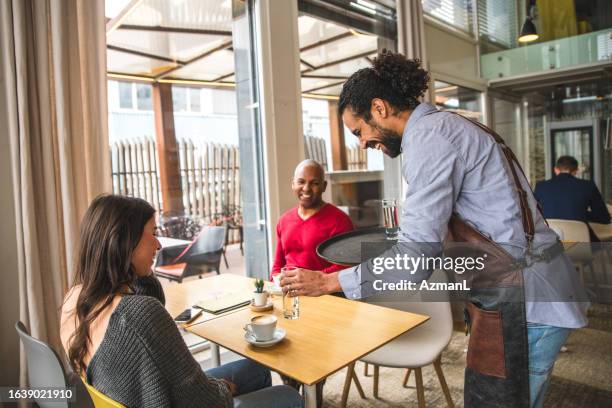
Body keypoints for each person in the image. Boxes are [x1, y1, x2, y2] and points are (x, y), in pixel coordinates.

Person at [280, 51, 588, 408]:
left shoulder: (429, 138)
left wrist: (329, 282)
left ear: (379, 108)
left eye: (359, 131)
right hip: (519, 293)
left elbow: (415, 257)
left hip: (527, 303)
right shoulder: (447, 127)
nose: (362, 143)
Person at [60, 194, 302, 408]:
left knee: (256, 369)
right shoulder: (137, 314)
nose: (158, 244)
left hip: (138, 395)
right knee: (288, 396)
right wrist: (222, 388)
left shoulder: (75, 297)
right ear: (124, 243)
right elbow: (205, 401)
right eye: (152, 234)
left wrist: (136, 271)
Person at [271, 159, 354, 278]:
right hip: (289, 292)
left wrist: (311, 278)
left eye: (314, 183)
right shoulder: (284, 221)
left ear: (324, 186)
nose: (306, 188)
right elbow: (278, 266)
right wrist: (276, 280)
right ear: (293, 184)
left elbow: (345, 266)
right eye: (301, 182)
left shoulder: (340, 221)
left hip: (323, 293)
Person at [534, 155, 610, 241]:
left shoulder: (541, 187)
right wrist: (581, 213)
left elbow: (533, 214)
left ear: (556, 170)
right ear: (575, 171)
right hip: (582, 245)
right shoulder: (587, 186)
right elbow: (604, 218)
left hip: (551, 246)